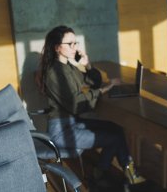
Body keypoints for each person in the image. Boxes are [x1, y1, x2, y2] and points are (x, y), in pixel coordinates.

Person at [38, 25, 145, 186]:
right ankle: (124, 173)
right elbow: (76, 103)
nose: (75, 47)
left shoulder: (68, 66)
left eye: (76, 43)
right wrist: (103, 90)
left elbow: (94, 81)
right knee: (115, 137)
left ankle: (102, 171)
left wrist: (87, 65)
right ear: (57, 48)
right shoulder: (55, 73)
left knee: (116, 128)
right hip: (61, 131)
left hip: (73, 123)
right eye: (70, 44)